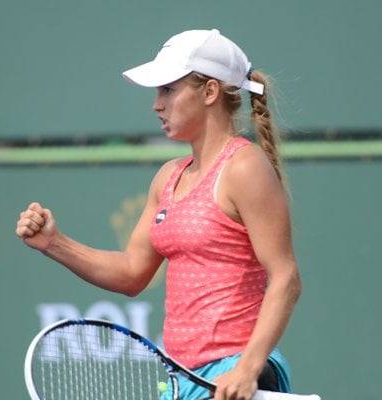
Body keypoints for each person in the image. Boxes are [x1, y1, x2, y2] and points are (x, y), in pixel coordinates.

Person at [16, 29, 302, 400]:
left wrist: (246, 369)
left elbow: (286, 278)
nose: (157, 104)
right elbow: (133, 273)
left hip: (237, 373)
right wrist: (54, 244)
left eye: (168, 89)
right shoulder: (168, 176)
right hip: (183, 377)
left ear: (210, 92)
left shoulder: (244, 168)